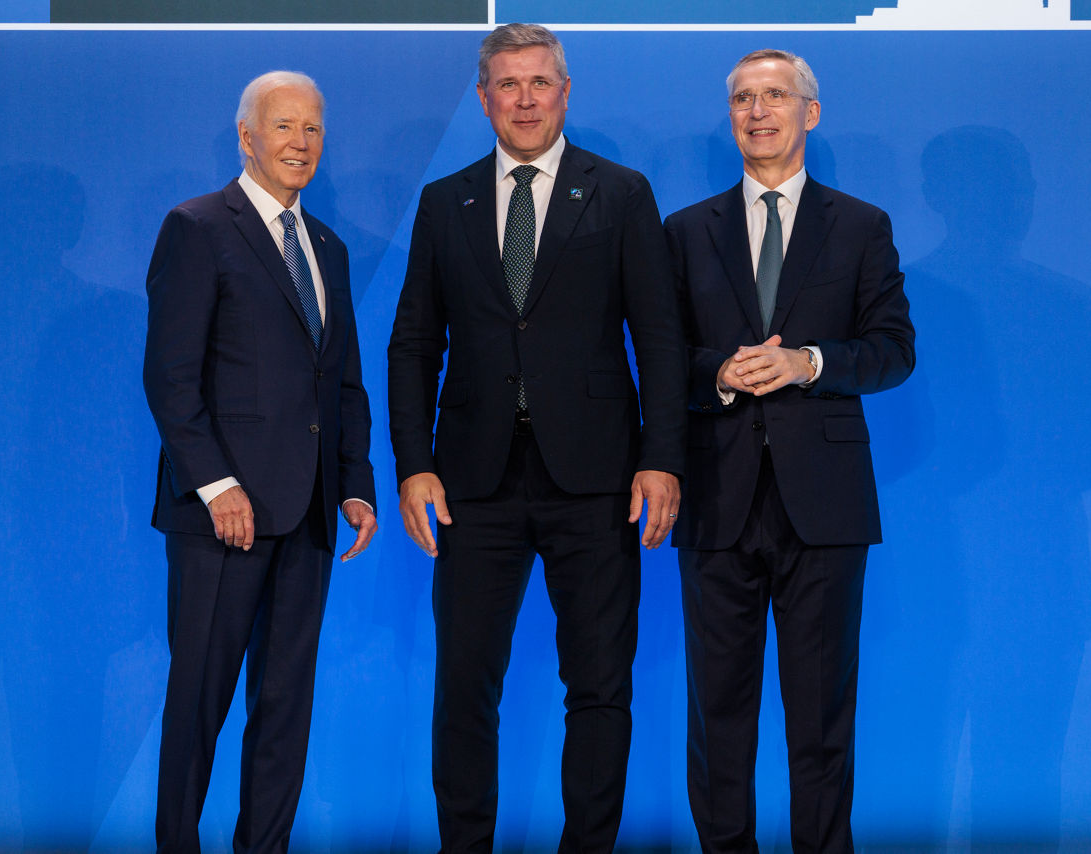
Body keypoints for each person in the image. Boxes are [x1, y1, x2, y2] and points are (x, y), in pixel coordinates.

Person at [387, 23, 687, 854]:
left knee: (599, 687)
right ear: (484, 98)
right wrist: (413, 465)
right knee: (464, 689)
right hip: (472, 483)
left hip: (597, 480)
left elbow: (659, 338)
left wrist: (662, 457)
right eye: (508, 85)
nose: (525, 100)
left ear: (565, 91)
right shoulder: (445, 201)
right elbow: (414, 342)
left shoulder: (620, 192)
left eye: (540, 82)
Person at [664, 50, 915, 854]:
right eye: (744, 98)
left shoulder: (862, 226)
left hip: (825, 506)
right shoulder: (684, 231)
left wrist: (809, 362)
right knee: (717, 717)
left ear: (810, 112)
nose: (757, 111)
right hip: (717, 499)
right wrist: (719, 374)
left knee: (820, 718)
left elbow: (893, 351)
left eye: (775, 95)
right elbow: (659, 361)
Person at [143, 70, 377, 854]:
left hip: (308, 515)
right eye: (284, 126)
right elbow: (170, 377)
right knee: (199, 704)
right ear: (247, 137)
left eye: (312, 128)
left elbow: (342, 380)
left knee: (284, 708)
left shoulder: (329, 248)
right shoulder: (198, 226)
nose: (300, 143)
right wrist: (217, 486)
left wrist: (355, 484)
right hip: (222, 520)